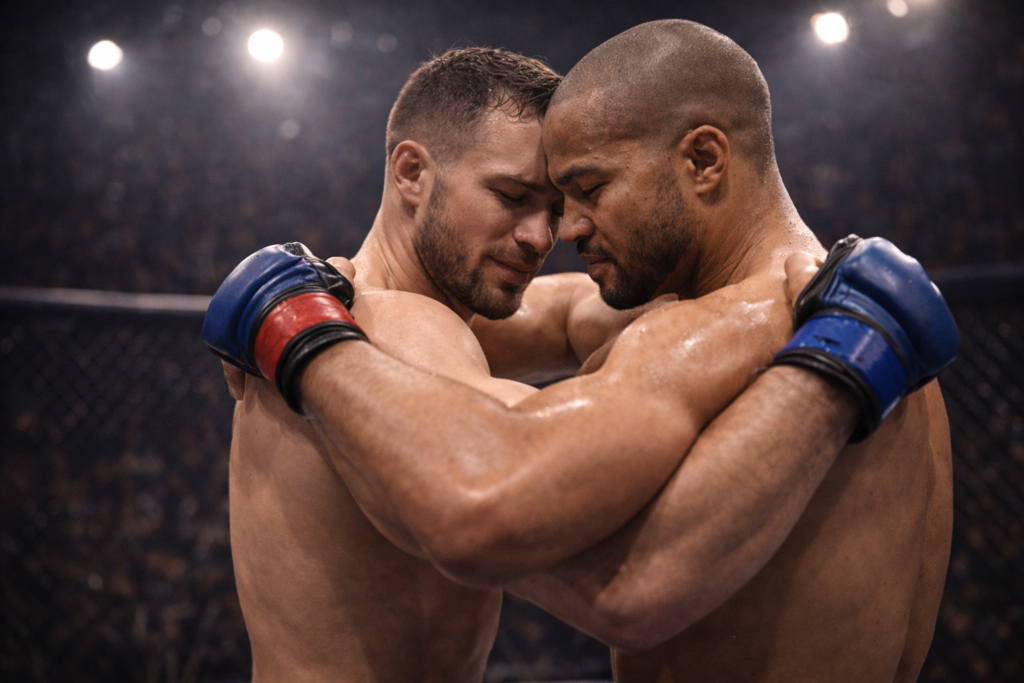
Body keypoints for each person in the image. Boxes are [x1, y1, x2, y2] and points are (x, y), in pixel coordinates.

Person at [205, 21, 961, 683]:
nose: (553, 235)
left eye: (580, 192)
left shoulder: (784, 323)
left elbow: (570, 335)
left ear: (705, 160)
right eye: (515, 197)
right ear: (410, 172)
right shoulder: (871, 329)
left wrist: (292, 325)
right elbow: (552, 359)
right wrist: (297, 323)